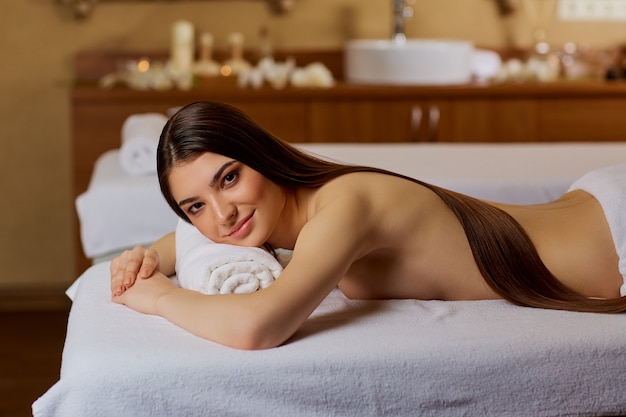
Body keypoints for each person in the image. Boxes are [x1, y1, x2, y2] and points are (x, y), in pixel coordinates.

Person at [110, 101, 626, 350]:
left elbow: (256, 327)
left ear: (260, 157)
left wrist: (155, 297)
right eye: (195, 206)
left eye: (229, 178)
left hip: (615, 233)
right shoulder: (304, 204)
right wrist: (150, 254)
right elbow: (205, 230)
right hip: (592, 205)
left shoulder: (343, 208)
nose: (221, 216)